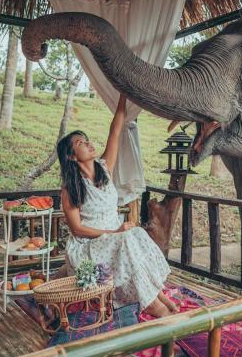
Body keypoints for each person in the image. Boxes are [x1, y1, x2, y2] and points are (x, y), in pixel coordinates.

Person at [57, 94, 177, 317]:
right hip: (89, 244)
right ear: (72, 157)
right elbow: (77, 230)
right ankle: (155, 304)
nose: (89, 143)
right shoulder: (70, 189)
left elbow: (116, 130)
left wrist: (122, 95)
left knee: (137, 235)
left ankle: (156, 295)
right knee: (128, 239)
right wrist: (113, 232)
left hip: (115, 237)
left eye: (87, 139)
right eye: (81, 143)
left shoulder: (104, 169)